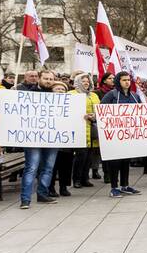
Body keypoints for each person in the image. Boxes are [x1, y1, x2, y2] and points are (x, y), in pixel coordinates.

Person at [18, 70, 61, 208]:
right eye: (46, 78)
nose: (48, 81)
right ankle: (25, 199)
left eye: (51, 79)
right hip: (33, 138)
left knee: (48, 168)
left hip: (52, 137)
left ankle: (42, 194)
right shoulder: (29, 94)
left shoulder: (59, 97)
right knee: (32, 167)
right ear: (39, 79)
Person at [99, 71, 142, 197]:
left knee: (125, 161)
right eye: (124, 80)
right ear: (118, 81)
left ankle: (125, 185)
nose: (127, 82)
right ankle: (114, 187)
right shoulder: (111, 95)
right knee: (115, 162)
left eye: (128, 80)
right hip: (114, 135)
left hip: (129, 134)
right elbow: (102, 111)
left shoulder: (134, 96)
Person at [68, 73, 98, 188]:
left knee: (89, 156)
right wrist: (82, 116)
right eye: (84, 81)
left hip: (91, 128)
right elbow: (69, 111)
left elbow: (98, 110)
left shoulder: (93, 95)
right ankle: (77, 179)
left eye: (88, 81)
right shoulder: (71, 94)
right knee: (80, 155)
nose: (86, 83)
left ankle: (85, 178)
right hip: (79, 129)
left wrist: (94, 116)